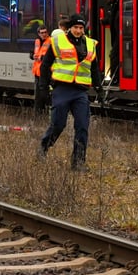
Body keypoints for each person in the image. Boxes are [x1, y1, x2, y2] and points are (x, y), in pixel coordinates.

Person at [37, 13, 102, 171]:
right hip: (62, 89)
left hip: (80, 92)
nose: (78, 31)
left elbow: (94, 68)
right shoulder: (58, 41)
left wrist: (99, 88)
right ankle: (43, 147)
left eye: (81, 28)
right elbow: (45, 66)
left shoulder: (90, 44)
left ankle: (78, 163)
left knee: (82, 126)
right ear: (69, 28)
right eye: (75, 27)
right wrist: (43, 88)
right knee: (58, 124)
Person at [101, 0, 120, 80]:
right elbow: (112, 18)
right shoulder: (115, 3)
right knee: (114, 55)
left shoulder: (119, 3)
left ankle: (115, 78)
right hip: (117, 34)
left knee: (114, 55)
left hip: (120, 34)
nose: (108, 1)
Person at [30, 25, 51, 111]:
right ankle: (38, 114)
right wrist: (32, 56)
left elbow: (51, 56)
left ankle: (44, 112)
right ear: (38, 34)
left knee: (44, 95)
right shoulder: (37, 42)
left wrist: (42, 58)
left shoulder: (51, 42)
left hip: (46, 73)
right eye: (42, 33)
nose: (44, 34)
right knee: (38, 96)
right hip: (37, 73)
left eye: (45, 32)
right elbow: (32, 52)